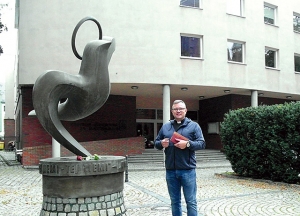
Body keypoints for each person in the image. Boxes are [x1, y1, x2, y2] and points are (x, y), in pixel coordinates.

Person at [154, 100, 206, 216]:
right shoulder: (166, 126)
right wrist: (161, 143)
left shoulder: (194, 126)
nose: (178, 111)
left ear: (185, 110)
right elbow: (156, 143)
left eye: (181, 108)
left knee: (191, 202)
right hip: (171, 170)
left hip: (187, 170)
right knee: (174, 202)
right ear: (172, 111)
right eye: (175, 109)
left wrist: (187, 144)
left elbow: (202, 144)